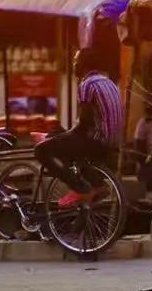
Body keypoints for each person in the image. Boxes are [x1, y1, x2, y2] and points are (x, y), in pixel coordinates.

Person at [34, 48, 123, 207]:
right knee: (63, 140)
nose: (73, 64)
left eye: (76, 61)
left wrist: (57, 138)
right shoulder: (109, 82)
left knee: (41, 150)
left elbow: (83, 125)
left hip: (97, 141)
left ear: (84, 64)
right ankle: (95, 186)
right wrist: (60, 136)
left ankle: (80, 188)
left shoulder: (87, 84)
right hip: (112, 140)